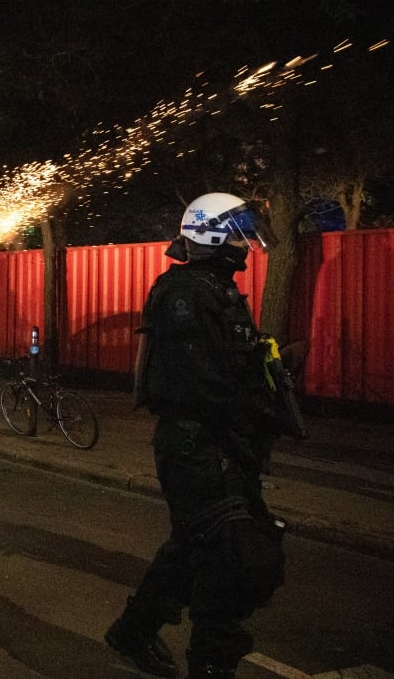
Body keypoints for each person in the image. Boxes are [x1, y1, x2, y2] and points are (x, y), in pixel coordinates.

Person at [106, 193, 287, 679]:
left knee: (194, 547)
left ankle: (133, 631)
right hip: (196, 448)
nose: (243, 243)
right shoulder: (186, 292)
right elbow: (200, 385)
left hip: (218, 446)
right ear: (208, 233)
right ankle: (210, 665)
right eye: (235, 232)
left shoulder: (216, 288)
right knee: (233, 558)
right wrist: (256, 411)